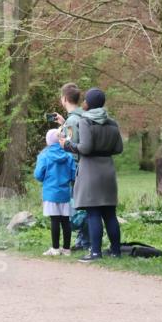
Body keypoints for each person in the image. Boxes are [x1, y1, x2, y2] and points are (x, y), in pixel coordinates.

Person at [59, 87, 122, 262]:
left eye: (86, 100)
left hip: (90, 170)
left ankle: (95, 252)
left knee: (93, 212)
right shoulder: (112, 123)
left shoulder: (86, 122)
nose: (83, 102)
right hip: (108, 169)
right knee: (110, 213)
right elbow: (119, 148)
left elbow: (85, 148)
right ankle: (116, 251)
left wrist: (67, 145)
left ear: (90, 103)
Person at [52, 83, 90, 250]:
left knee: (80, 205)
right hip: (88, 167)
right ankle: (85, 240)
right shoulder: (82, 116)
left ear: (64, 99)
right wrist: (63, 122)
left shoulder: (72, 120)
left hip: (77, 168)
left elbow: (72, 146)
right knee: (85, 204)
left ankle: (84, 241)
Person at [34, 129, 77, 256]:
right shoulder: (68, 156)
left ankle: (55, 248)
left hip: (50, 193)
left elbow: (38, 175)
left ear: (48, 141)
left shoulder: (44, 156)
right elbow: (74, 175)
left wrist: (45, 180)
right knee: (65, 220)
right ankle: (67, 249)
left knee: (54, 220)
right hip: (64, 193)